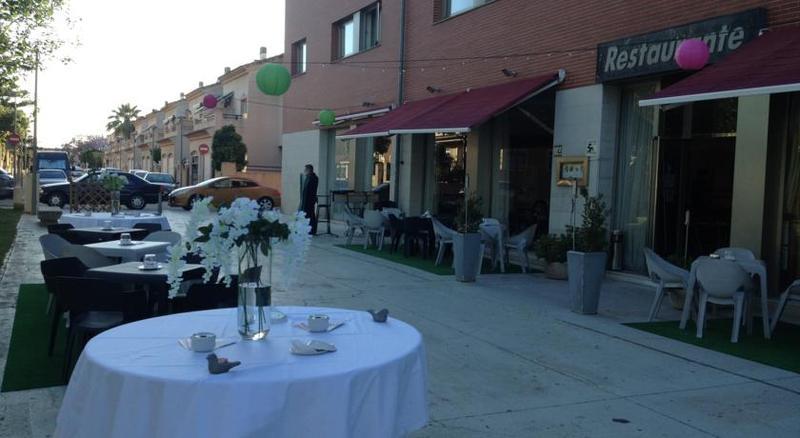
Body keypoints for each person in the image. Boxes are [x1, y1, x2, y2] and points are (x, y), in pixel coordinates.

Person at [299, 164, 319, 234]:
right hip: (306, 200)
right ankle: (307, 228)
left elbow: (311, 190)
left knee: (310, 215)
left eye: (306, 170)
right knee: (307, 215)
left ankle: (312, 230)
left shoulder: (313, 178)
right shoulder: (308, 177)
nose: (305, 171)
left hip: (310, 200)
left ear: (309, 170)